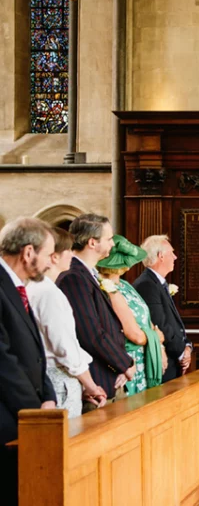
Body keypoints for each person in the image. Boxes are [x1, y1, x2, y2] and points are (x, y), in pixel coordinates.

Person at [0, 217, 58, 506]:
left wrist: (48, 396)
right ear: (27, 253)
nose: (51, 263)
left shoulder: (18, 288)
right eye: (48, 255)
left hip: (27, 414)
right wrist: (35, 412)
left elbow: (34, 352)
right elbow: (3, 361)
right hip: (8, 420)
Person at [57, 214, 135, 410]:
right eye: (109, 239)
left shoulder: (88, 274)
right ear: (92, 242)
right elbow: (90, 333)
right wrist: (124, 363)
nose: (112, 244)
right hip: (95, 384)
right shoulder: (74, 277)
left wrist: (117, 367)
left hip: (108, 376)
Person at [26, 228, 107, 417]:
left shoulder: (40, 288)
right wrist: (91, 385)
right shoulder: (48, 293)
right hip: (59, 381)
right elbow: (65, 347)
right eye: (69, 250)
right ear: (54, 257)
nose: (72, 254)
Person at [97, 235, 167, 395]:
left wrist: (159, 347)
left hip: (145, 357)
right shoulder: (108, 289)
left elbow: (148, 321)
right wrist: (157, 338)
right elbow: (135, 335)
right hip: (131, 361)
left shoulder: (126, 285)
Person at [133, 235, 191, 382]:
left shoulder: (156, 283)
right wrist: (181, 352)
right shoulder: (147, 285)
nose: (175, 257)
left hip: (172, 359)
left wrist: (187, 346)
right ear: (161, 256)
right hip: (164, 362)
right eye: (171, 252)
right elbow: (159, 324)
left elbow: (173, 323)